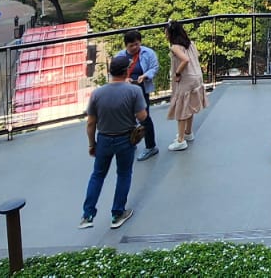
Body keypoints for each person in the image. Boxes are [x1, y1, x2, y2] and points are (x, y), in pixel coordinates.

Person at [80, 52, 148, 230]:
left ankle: (87, 215)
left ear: (110, 71)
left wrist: (92, 144)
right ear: (126, 72)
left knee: (98, 175)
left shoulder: (97, 93)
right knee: (124, 174)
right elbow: (142, 116)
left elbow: (91, 122)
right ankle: (117, 214)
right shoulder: (133, 91)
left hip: (103, 139)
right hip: (125, 139)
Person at [164, 22, 206, 151]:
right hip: (196, 76)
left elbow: (185, 60)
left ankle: (181, 140)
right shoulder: (190, 44)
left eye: (166, 32)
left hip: (186, 79)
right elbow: (195, 57)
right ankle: (188, 132)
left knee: (182, 108)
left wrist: (177, 73)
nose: (165, 35)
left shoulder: (175, 47)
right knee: (190, 105)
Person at [123, 30, 160, 160]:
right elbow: (114, 72)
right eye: (131, 45)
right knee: (128, 118)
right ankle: (132, 142)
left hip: (141, 90)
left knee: (144, 117)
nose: (135, 47)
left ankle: (150, 146)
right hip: (126, 91)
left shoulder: (148, 53)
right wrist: (124, 79)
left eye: (137, 44)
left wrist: (145, 76)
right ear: (126, 45)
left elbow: (154, 67)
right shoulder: (121, 56)